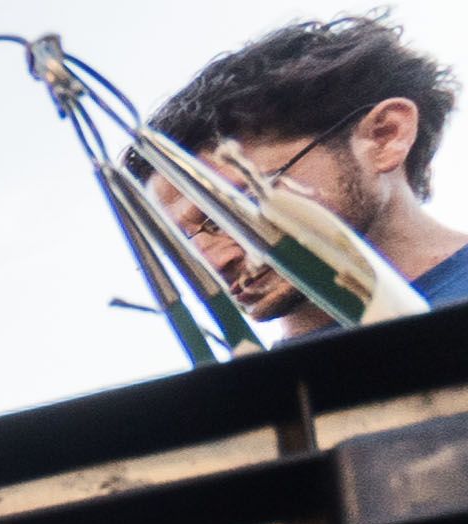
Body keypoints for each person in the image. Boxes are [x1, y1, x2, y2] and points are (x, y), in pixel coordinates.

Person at [150, 17, 468, 336]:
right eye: (178, 245)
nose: (215, 262)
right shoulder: (258, 386)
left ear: (385, 136)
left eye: (231, 210)